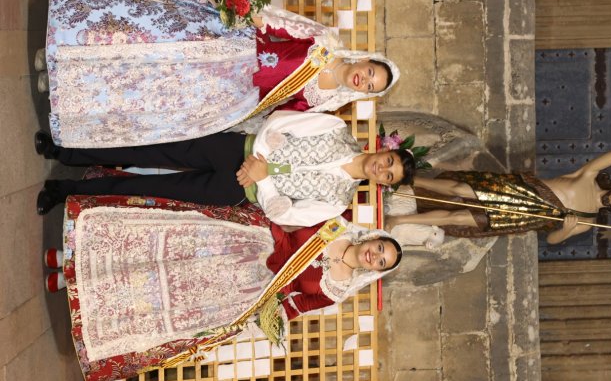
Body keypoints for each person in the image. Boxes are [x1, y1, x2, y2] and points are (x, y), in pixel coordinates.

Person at [49, 196, 401, 381]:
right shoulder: (334, 224)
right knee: (160, 255)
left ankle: (75, 287)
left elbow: (295, 307)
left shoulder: (336, 290)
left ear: (376, 271)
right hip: (245, 244)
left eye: (381, 263)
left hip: (245, 291)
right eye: (381, 249)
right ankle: (70, 257)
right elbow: (289, 215)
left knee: (163, 293)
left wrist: (265, 315)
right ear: (375, 238)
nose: (375, 256)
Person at [41, 0, 400, 148]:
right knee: (140, 35)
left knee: (141, 86)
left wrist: (261, 132)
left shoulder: (324, 102)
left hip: (226, 92)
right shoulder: (324, 42)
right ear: (365, 60)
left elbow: (279, 117)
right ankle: (57, 48)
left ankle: (61, 85)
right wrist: (250, 13)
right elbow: (280, 25)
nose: (364, 79)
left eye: (370, 86)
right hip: (228, 43)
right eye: (370, 72)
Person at [35, 110, 416, 226]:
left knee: (153, 191)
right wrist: (258, 159)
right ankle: (66, 151)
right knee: (151, 150)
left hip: (236, 190)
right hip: (233, 149)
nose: (383, 169)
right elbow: (282, 124)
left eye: (388, 176)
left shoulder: (337, 202)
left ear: (381, 184)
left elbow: (285, 212)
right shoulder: (336, 129)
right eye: (389, 162)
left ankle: (63, 191)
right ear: (383, 150)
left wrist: (260, 181)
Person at [385, 149, 611, 244]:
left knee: (461, 217)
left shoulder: (590, 221)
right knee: (460, 190)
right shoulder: (587, 177)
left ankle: (398, 218)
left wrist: (566, 227)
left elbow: (552, 240)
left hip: (521, 217)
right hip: (518, 192)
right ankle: (407, 179)